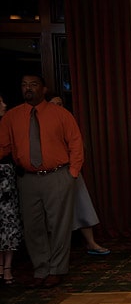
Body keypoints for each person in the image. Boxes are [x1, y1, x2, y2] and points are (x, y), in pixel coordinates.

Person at [0, 74, 84, 288]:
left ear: (43, 89)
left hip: (58, 176)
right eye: (24, 84)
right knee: (33, 226)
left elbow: (75, 143)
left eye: (33, 84)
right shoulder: (12, 117)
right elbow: (4, 147)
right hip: (27, 179)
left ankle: (57, 269)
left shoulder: (60, 114)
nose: (28, 88)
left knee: (58, 225)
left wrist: (72, 173)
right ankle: (41, 268)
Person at [49, 96, 110, 256]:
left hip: (71, 170)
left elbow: (79, 146)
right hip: (50, 175)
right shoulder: (43, 124)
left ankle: (91, 242)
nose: (57, 107)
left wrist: (74, 169)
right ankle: (57, 250)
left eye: (60, 104)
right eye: (53, 104)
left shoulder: (68, 121)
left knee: (82, 205)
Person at [0, 93, 23, 284]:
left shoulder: (9, 124)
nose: (4, 104)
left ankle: (7, 267)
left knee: (9, 223)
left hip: (6, 181)